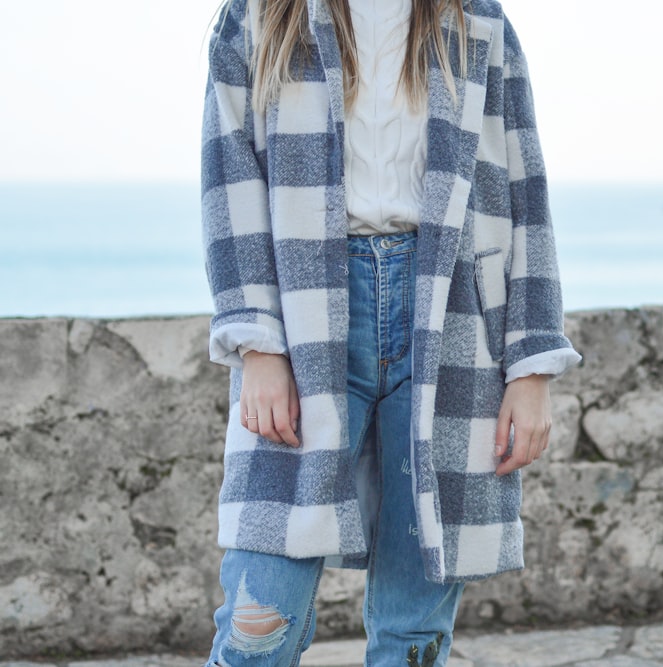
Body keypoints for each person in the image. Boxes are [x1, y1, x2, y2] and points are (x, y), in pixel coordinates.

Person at [200, 0, 580, 664]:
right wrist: (257, 344)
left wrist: (532, 367)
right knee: (258, 622)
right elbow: (229, 178)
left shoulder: (477, 21)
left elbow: (526, 191)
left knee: (413, 636)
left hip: (454, 315)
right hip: (306, 315)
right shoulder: (257, 16)